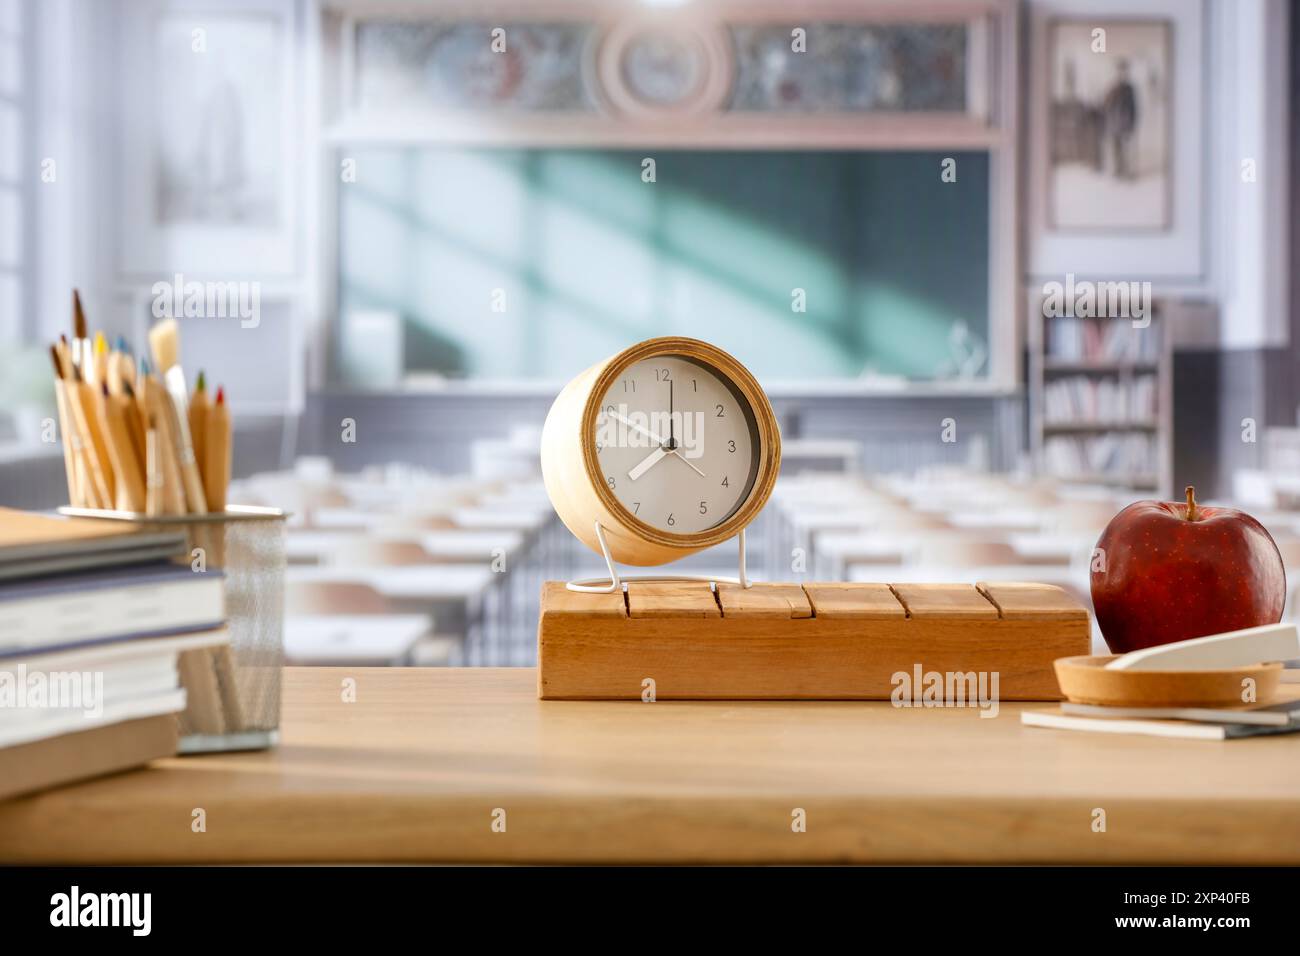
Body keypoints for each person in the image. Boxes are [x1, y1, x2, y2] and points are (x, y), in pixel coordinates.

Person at [1101, 59, 1138, 179]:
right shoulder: (1113, 87)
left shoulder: (1130, 88)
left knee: (1127, 147)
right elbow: (1106, 105)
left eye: (1124, 70)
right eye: (1120, 70)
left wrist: (1133, 122)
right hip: (1114, 122)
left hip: (1125, 122)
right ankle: (1118, 170)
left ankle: (1128, 171)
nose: (1122, 73)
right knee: (1116, 148)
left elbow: (1134, 107)